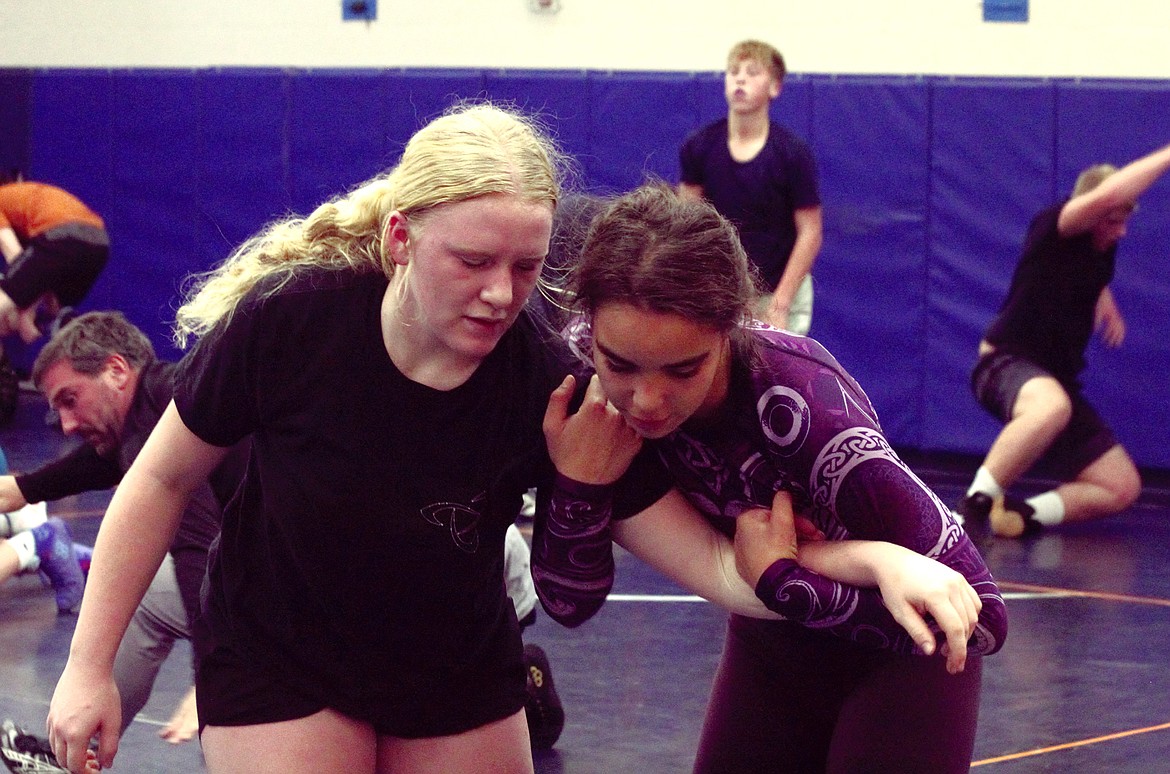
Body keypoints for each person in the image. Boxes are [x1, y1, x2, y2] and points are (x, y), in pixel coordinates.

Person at [45, 103, 604, 774]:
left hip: (451, 652)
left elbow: (645, 540)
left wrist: (753, 579)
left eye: (526, 267)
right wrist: (87, 668)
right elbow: (162, 480)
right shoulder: (292, 318)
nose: (500, 294)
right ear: (401, 239)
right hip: (282, 648)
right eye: (474, 261)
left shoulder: (544, 370)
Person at [534, 185, 1007, 773]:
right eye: (621, 365)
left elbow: (984, 617)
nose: (648, 401)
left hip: (903, 659)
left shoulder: (805, 407)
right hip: (770, 646)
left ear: (733, 326)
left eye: (685, 369)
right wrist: (578, 483)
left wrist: (782, 577)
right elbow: (565, 601)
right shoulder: (584, 392)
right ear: (590, 330)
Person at [955, 143, 1170, 540]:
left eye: (1125, 222)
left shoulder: (1099, 249)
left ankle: (1021, 513)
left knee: (1120, 485)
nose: (1120, 231)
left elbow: (1078, 272)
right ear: (1088, 210)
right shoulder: (1055, 224)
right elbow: (1105, 197)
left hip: (1055, 383)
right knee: (1052, 406)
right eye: (1112, 221)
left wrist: (1104, 298)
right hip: (1005, 364)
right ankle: (970, 511)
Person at [679, 40, 822, 334]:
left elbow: (810, 232)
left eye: (752, 72)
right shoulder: (699, 147)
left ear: (775, 87)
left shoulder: (793, 153)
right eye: (733, 72)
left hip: (779, 292)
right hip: (721, 293)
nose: (740, 78)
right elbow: (685, 225)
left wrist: (780, 304)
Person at [0, 174, 109, 344]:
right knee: (56, 318)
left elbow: (14, 255)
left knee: (4, 302)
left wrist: (19, 310)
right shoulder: (22, 197)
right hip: (98, 244)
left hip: (62, 235)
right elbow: (38, 276)